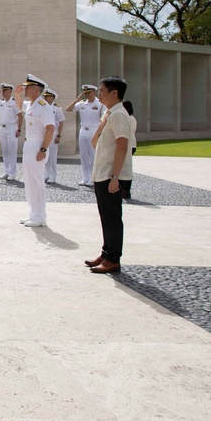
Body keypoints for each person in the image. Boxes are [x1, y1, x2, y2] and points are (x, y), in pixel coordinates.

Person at [87, 76, 132, 273]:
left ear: (115, 93)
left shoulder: (119, 115)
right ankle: (106, 253)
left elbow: (122, 147)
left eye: (102, 91)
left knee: (112, 217)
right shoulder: (109, 114)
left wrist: (115, 176)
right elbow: (95, 144)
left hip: (111, 175)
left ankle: (113, 259)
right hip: (102, 173)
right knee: (105, 216)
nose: (99, 94)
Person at [14, 74, 55, 227]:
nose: (25, 89)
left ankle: (39, 216)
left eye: (28, 88)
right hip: (29, 145)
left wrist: (43, 149)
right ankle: (33, 214)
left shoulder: (43, 106)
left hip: (38, 145)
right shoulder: (32, 104)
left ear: (36, 90)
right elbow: (19, 106)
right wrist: (17, 94)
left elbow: (50, 128)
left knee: (37, 181)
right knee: (29, 180)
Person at [66, 84, 106, 186]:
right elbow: (68, 109)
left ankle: (93, 177)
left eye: (88, 92)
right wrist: (76, 100)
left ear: (94, 92)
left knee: (93, 155)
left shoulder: (100, 104)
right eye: (85, 93)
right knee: (83, 155)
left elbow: (104, 118)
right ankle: (85, 177)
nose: (86, 95)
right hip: (83, 131)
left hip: (94, 131)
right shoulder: (82, 104)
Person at [0, 83, 22, 180]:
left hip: (12, 129)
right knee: (5, 151)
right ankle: (6, 171)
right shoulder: (1, 102)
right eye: (2, 91)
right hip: (2, 129)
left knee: (12, 151)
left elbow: (20, 116)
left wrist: (19, 129)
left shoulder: (14, 102)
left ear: (10, 91)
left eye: (5, 91)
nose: (3, 92)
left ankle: (12, 173)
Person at [42, 89, 65, 183]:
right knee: (45, 154)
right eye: (44, 96)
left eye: (47, 96)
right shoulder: (43, 107)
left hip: (53, 133)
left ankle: (53, 175)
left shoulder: (57, 108)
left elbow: (61, 122)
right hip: (44, 133)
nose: (45, 98)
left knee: (52, 155)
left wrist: (59, 135)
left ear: (52, 97)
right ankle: (46, 174)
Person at [120, 100, 138, 201]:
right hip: (131, 145)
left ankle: (126, 190)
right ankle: (125, 190)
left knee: (126, 168)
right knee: (125, 167)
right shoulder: (131, 118)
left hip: (129, 145)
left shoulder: (129, 119)